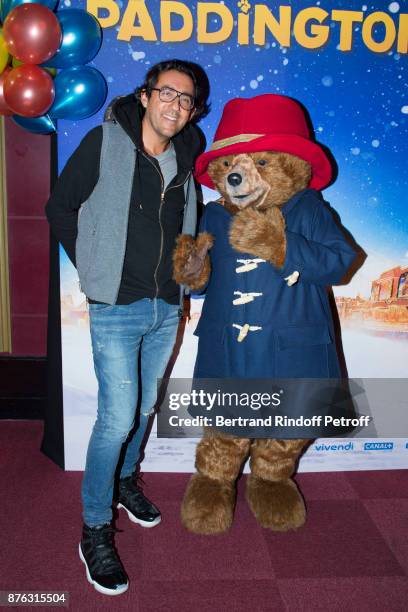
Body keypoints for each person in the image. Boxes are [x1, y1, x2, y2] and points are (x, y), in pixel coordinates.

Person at [45, 59, 210, 596]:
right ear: (145, 96)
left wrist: (188, 283)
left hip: (167, 308)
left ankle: (122, 481)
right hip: (116, 308)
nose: (176, 106)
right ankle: (95, 529)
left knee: (143, 408)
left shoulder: (187, 162)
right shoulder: (103, 144)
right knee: (116, 419)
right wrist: (92, 268)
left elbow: (185, 232)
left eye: (187, 100)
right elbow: (60, 208)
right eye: (168, 93)